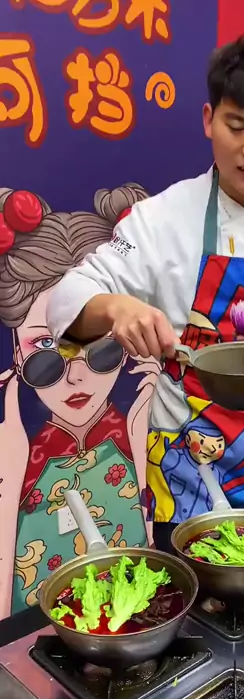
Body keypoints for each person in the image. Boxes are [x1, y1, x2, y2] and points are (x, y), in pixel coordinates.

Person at [47, 32, 244, 555]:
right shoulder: (162, 217)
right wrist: (115, 307)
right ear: (208, 120)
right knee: (195, 590)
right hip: (186, 454)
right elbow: (68, 300)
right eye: (236, 126)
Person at [0, 185, 156, 618]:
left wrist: (140, 439)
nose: (75, 375)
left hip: (131, 617)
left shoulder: (136, 428)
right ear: (16, 353)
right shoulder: (17, 455)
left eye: (98, 343)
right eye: (45, 348)